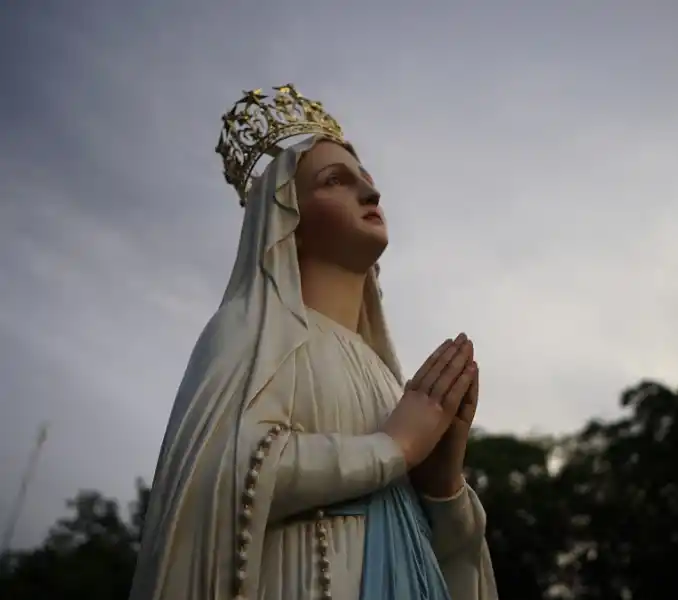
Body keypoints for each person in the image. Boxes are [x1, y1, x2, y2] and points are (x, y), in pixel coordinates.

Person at [129, 85, 498, 600]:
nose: (371, 195)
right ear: (287, 220)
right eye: (336, 181)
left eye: (367, 183)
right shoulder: (251, 331)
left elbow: (446, 562)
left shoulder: (383, 376)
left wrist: (441, 484)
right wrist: (394, 446)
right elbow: (216, 479)